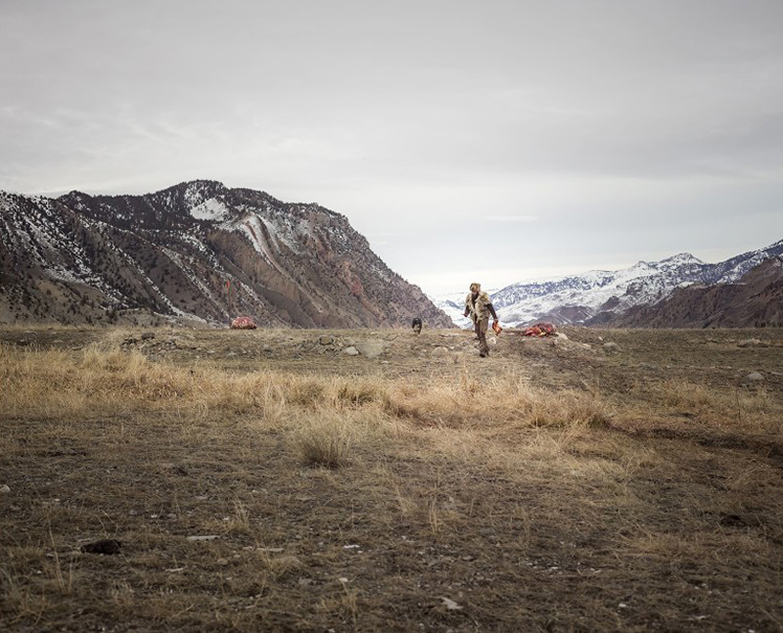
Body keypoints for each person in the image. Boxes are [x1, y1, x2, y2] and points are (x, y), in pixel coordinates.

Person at [463, 282, 499, 357]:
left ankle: (483, 351)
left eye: (475, 291)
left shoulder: (483, 296)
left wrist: (495, 317)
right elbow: (468, 306)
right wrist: (466, 313)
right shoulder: (469, 297)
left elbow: (490, 306)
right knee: (478, 333)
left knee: (482, 332)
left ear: (478, 290)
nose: (474, 292)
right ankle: (485, 350)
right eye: (472, 291)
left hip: (483, 316)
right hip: (475, 317)